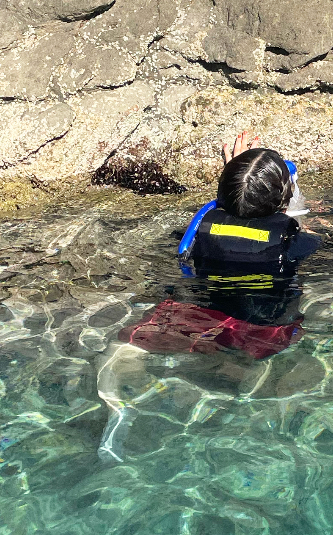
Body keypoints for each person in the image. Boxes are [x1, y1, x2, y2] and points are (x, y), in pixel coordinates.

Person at [95, 130, 319, 462]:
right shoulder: (296, 241)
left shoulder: (203, 228)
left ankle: (116, 409)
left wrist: (237, 178)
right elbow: (304, 232)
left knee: (126, 342)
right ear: (284, 203)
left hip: (200, 317)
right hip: (264, 333)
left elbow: (228, 212)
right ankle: (244, 411)